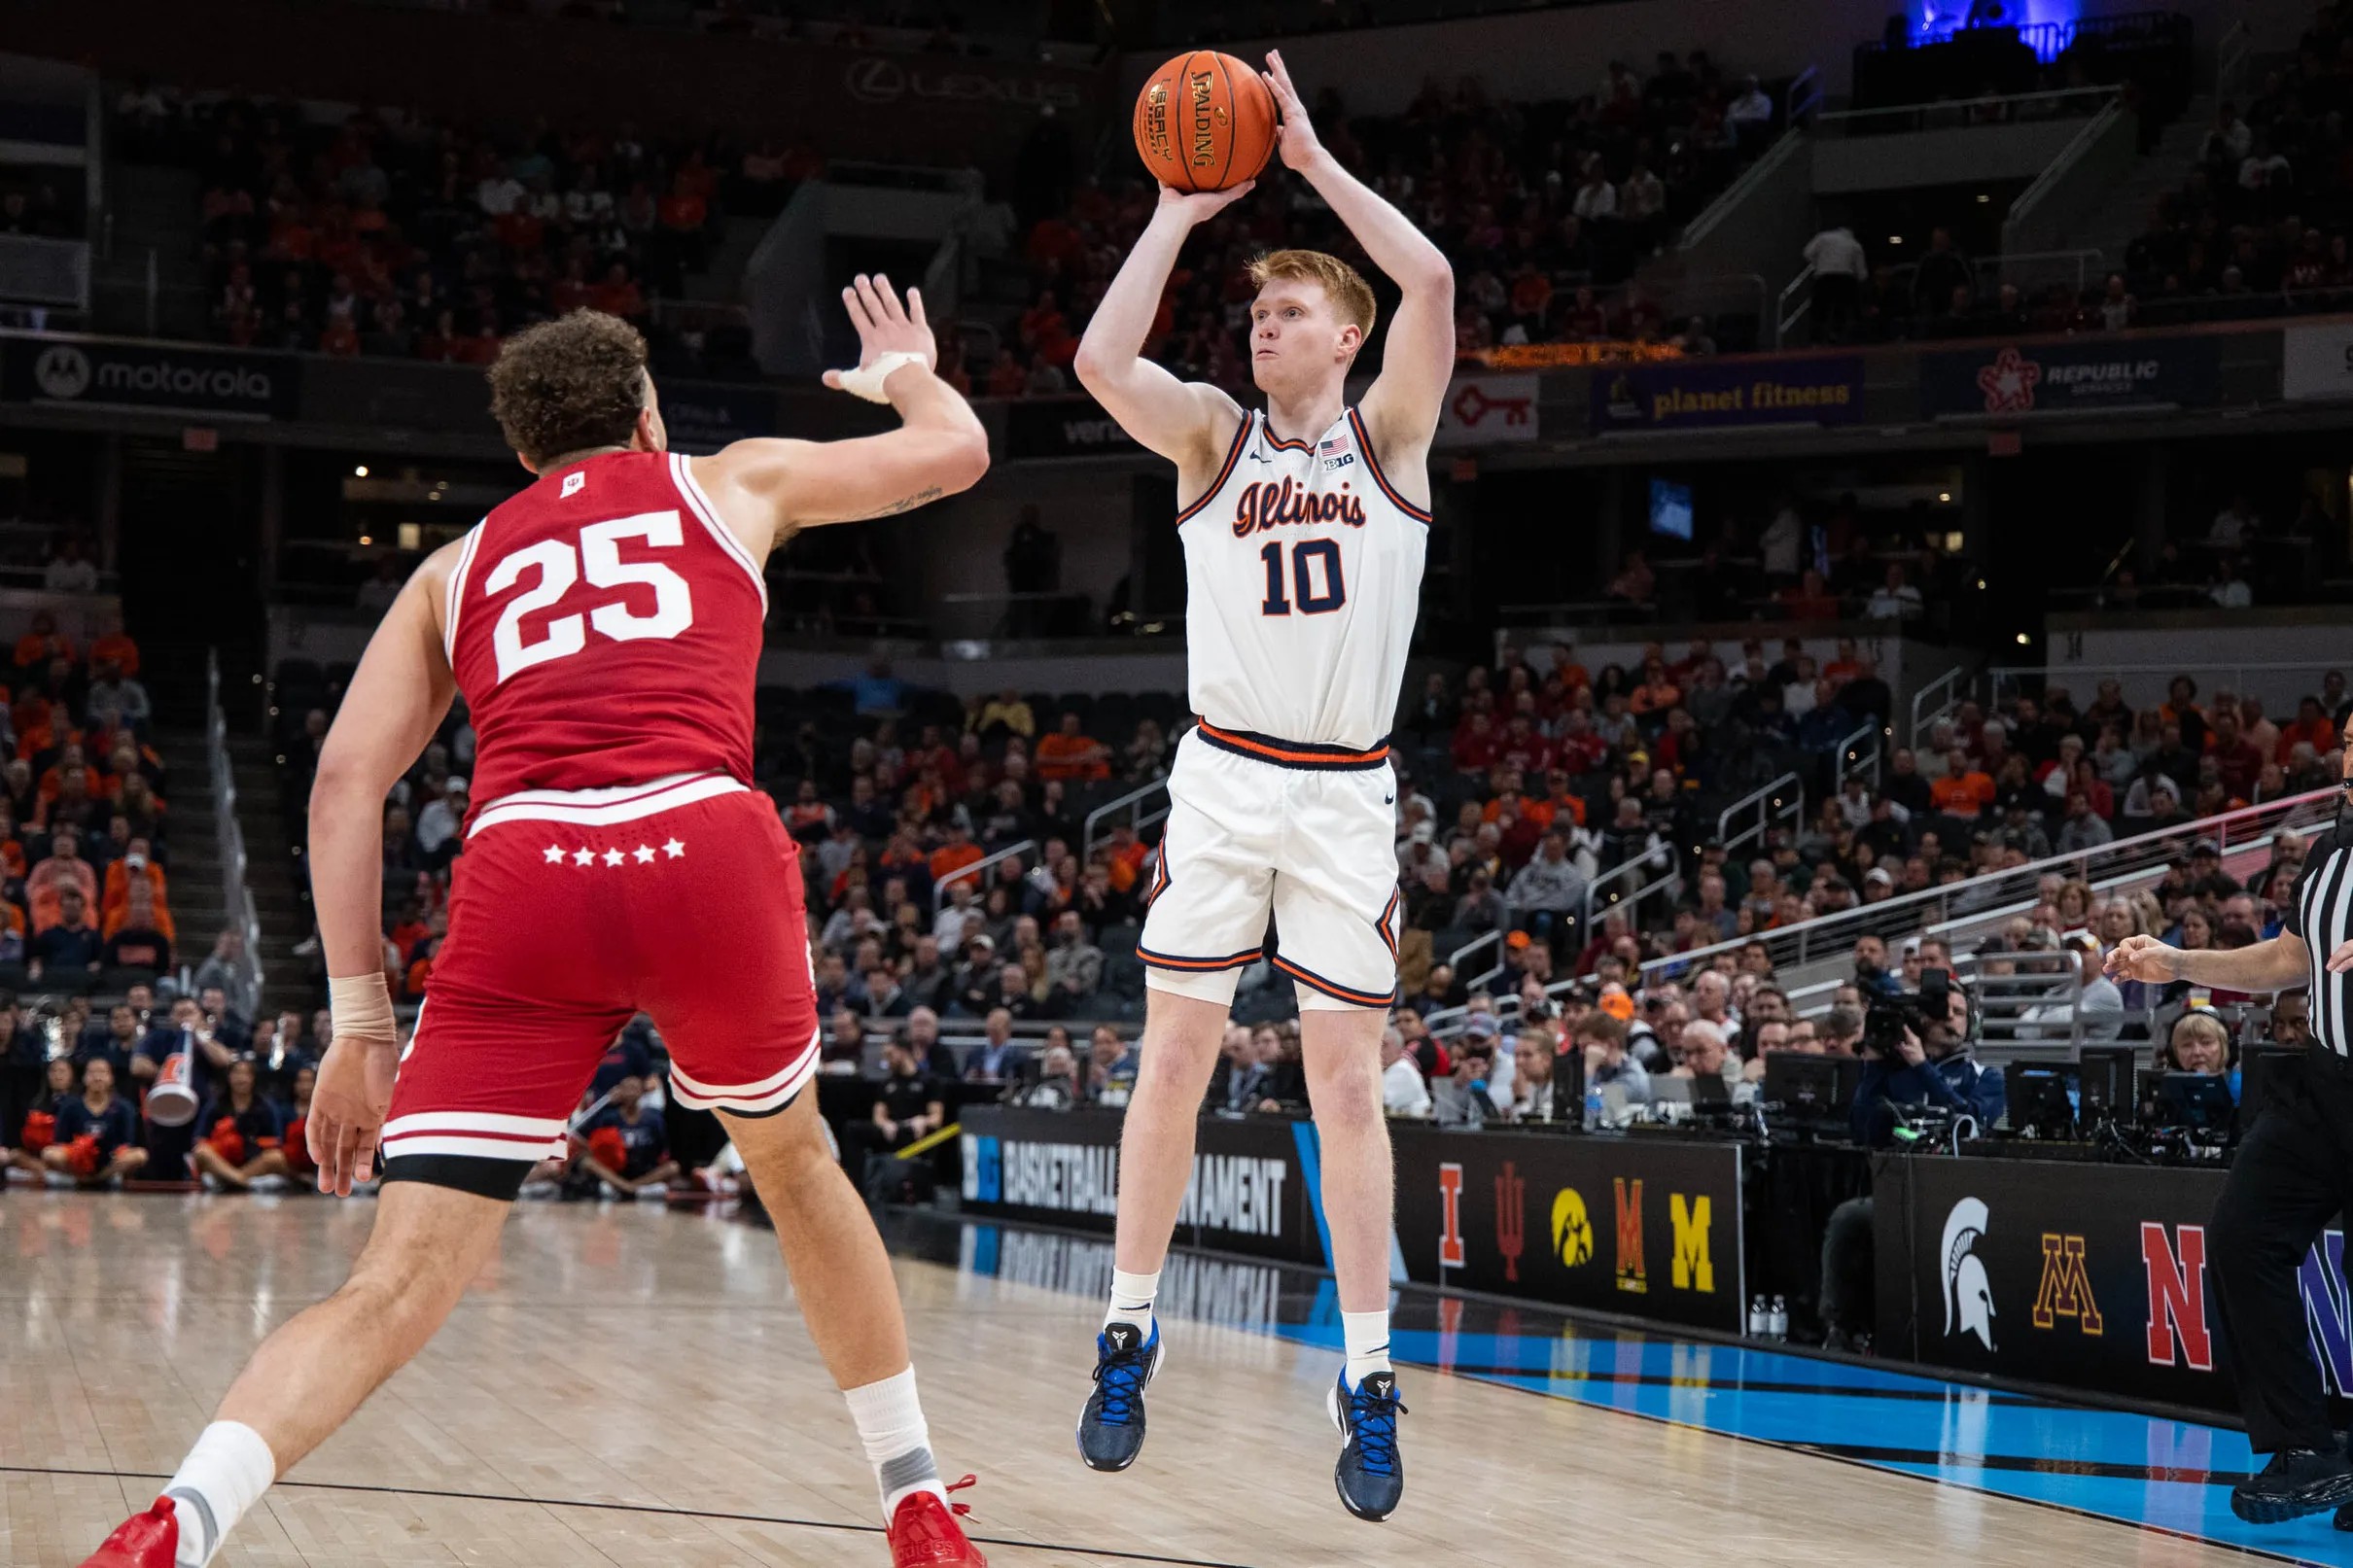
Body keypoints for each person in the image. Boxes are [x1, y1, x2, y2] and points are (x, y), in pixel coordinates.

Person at [79, 295, 993, 1568]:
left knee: (391, 1289)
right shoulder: (729, 481)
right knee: (795, 1169)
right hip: (701, 850)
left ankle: (176, 1517)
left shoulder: (455, 567)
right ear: (646, 413)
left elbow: (345, 784)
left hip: (527, 878)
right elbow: (957, 455)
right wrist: (908, 374)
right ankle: (913, 1498)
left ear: (523, 454)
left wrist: (359, 1027)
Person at [1068, 50, 1446, 1518]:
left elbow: (1436, 284)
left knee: (1344, 1089)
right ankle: (1127, 1323)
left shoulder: (1391, 439)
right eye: (1255, 310)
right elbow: (1104, 365)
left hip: (1346, 792)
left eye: (1285, 309)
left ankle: (1368, 1375)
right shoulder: (1211, 436)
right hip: (1222, 780)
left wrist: (1311, 167)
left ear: (1340, 337)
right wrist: (1175, 211)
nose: (1261, 322)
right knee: (1170, 1057)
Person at [2104, 720, 2353, 1524]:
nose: (2352, 753)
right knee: (2243, 1235)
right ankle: (2307, 1448)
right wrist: (2176, 962)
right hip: (2325, 1081)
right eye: (2350, 739)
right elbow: (2290, 958)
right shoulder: (2327, 850)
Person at [46, 1055, 147, 1187]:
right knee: (49, 1154)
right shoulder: (71, 1106)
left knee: (140, 1155)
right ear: (84, 1077)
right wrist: (77, 1152)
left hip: (111, 1160)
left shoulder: (123, 1107)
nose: (97, 1077)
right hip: (78, 1158)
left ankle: (101, 1178)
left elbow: (127, 1143)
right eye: (92, 1072)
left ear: (111, 1078)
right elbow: (61, 1142)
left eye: (102, 1072)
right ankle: (81, 1178)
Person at [190, 1058, 286, 1193]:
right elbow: (200, 1139)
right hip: (221, 1160)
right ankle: (244, 1182)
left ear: (253, 1078)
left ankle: (229, 1180)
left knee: (276, 1157)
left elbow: (276, 1141)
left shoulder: (265, 1106)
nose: (241, 1079)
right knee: (200, 1152)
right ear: (229, 1077)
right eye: (237, 1073)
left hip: (254, 1161)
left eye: (246, 1074)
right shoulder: (215, 1105)